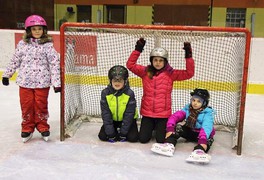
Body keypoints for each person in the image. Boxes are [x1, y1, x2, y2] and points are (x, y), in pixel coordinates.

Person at [2, 15, 61, 143]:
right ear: (29, 31)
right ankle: (27, 127)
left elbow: (54, 64)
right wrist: (7, 74)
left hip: (42, 83)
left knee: (41, 106)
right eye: (34, 29)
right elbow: (15, 60)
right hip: (25, 82)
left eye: (39, 29)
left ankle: (42, 126)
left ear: (44, 30)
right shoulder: (23, 45)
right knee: (26, 106)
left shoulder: (48, 46)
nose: (37, 31)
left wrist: (57, 83)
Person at [126, 38, 195, 143]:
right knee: (143, 139)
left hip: (163, 114)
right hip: (147, 113)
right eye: (155, 60)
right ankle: (151, 127)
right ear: (151, 61)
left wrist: (188, 56)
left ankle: (164, 128)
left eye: (161, 60)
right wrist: (138, 49)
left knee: (161, 140)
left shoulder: (171, 74)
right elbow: (130, 65)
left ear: (165, 61)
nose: (158, 63)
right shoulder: (145, 72)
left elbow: (189, 73)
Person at [151, 88, 215, 162]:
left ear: (204, 103)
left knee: (208, 139)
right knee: (178, 127)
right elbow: (175, 117)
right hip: (190, 130)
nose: (195, 103)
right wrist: (170, 128)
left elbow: (206, 127)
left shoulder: (208, 114)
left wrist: (203, 140)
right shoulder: (188, 109)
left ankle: (199, 151)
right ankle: (169, 144)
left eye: (198, 101)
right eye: (193, 100)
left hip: (202, 133)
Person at [98, 65, 139, 143]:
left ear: (125, 81)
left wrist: (123, 133)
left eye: (120, 80)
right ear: (110, 81)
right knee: (103, 136)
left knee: (133, 138)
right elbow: (106, 114)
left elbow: (129, 114)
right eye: (115, 80)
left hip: (128, 120)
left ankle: (121, 130)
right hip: (113, 120)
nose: (117, 83)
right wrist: (111, 133)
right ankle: (115, 130)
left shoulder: (129, 93)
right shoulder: (105, 93)